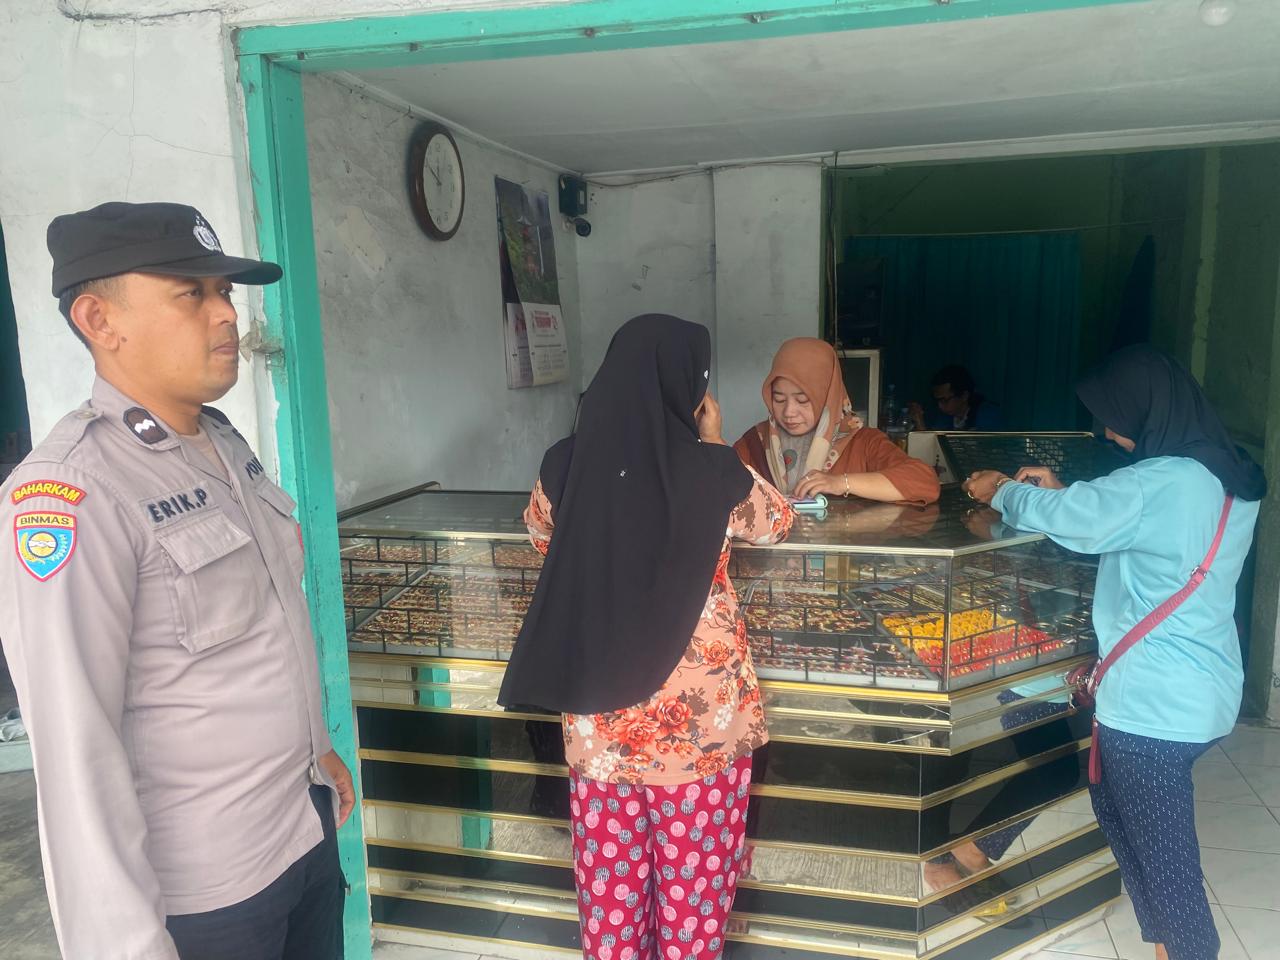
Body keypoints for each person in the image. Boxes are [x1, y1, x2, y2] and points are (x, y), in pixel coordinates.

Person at [0, 202, 354, 960]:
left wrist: (316, 749)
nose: (226, 314)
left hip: (302, 829)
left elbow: (268, 629)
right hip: (210, 892)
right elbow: (74, 745)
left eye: (223, 291)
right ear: (99, 320)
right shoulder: (73, 491)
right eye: (191, 293)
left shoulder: (221, 442)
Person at [498, 314, 794, 960]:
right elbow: (777, 522)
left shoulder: (563, 464)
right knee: (693, 908)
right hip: (701, 732)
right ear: (692, 388)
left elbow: (541, 534)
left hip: (599, 726)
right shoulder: (714, 471)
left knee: (611, 904)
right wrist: (715, 443)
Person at [963, 345, 1265, 960]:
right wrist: (1067, 492)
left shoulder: (1163, 480)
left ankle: (1184, 949)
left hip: (1152, 706)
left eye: (1112, 417)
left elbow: (1088, 516)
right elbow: (1143, 526)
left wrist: (1002, 490)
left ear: (1147, 410)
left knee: (1168, 875)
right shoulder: (1228, 473)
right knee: (1126, 828)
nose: (1106, 432)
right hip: (1202, 692)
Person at [735, 337, 940, 504]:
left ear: (827, 397)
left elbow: (924, 482)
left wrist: (841, 483)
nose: (789, 412)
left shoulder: (863, 442)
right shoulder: (755, 443)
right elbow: (720, 485)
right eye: (779, 399)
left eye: (803, 400)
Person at [909, 364, 1002, 432]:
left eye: (945, 400)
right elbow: (934, 446)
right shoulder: (945, 417)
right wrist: (919, 423)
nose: (940, 406)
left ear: (964, 396)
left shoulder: (988, 415)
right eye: (937, 401)